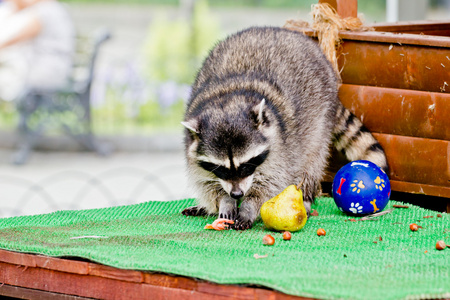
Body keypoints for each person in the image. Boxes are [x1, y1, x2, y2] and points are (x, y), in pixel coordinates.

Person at [0, 0, 74, 102]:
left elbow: (15, 39)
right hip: (52, 68)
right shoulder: (49, 8)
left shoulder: (45, 11)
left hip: (46, 71)